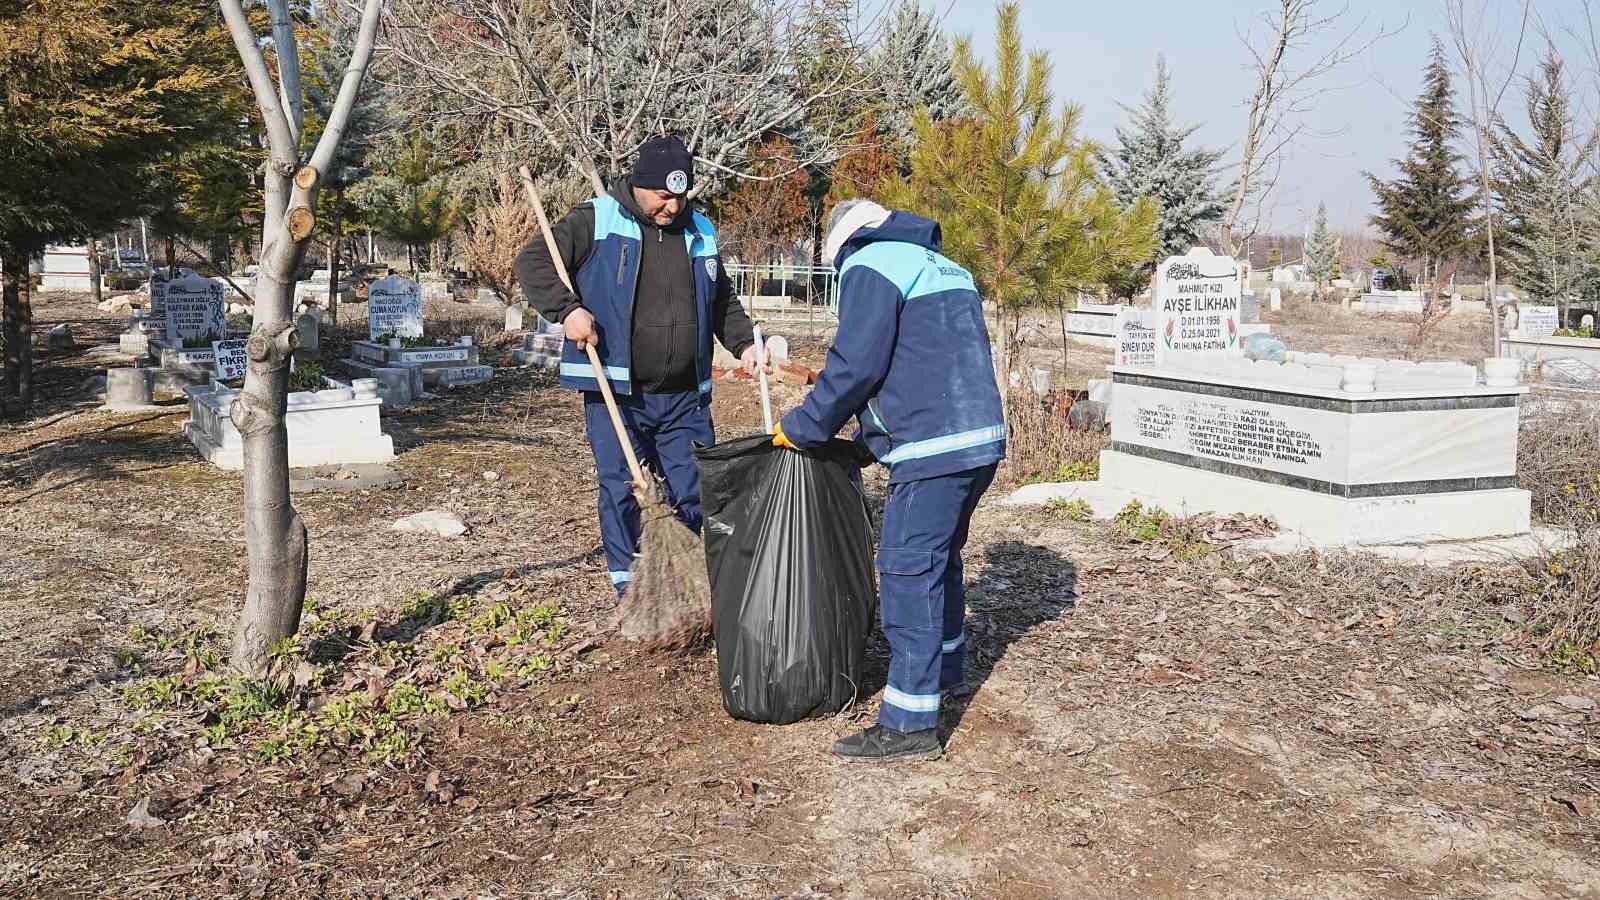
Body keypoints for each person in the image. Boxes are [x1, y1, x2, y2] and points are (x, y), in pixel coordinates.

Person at [773, 199, 1005, 762]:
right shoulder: (939, 263)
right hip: (979, 438)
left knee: (906, 569)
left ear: (839, 247)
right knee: (939, 559)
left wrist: (803, 427)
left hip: (933, 447)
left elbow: (857, 364)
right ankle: (945, 668)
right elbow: (923, 361)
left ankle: (909, 722)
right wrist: (870, 442)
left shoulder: (870, 263)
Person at [515, 134, 767, 597]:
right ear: (639, 184)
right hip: (618, 387)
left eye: (680, 195)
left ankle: (693, 581)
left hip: (685, 395)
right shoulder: (597, 219)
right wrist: (568, 310)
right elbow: (533, 262)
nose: (671, 207)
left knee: (694, 487)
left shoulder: (701, 230)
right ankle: (629, 587)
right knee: (624, 486)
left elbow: (721, 299)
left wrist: (745, 341)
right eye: (662, 196)